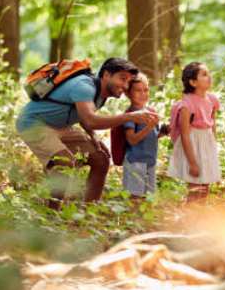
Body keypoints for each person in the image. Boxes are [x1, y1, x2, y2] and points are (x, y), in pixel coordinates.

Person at [16, 57, 159, 207]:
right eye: (122, 78)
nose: (125, 85)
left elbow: (83, 117)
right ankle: (52, 212)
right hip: (34, 124)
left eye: (128, 81)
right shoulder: (84, 87)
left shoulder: (101, 95)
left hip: (61, 127)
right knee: (64, 161)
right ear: (106, 75)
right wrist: (129, 117)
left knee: (101, 158)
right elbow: (91, 119)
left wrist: (93, 137)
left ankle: (88, 210)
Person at [168, 62, 221, 203]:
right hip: (193, 145)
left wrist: (213, 147)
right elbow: (185, 135)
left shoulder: (212, 100)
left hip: (207, 143)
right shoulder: (187, 105)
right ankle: (189, 219)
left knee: (205, 187)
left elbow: (212, 123)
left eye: (208, 73)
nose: (209, 77)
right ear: (193, 82)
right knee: (195, 188)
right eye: (204, 74)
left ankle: (200, 219)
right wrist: (192, 163)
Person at [122, 73, 169, 201]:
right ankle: (132, 219)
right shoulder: (131, 114)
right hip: (135, 162)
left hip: (150, 161)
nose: (143, 93)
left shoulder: (150, 111)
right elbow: (132, 139)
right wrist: (149, 126)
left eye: (146, 89)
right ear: (128, 94)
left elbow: (152, 136)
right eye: (138, 90)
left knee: (148, 197)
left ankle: (143, 221)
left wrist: (164, 132)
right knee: (135, 197)